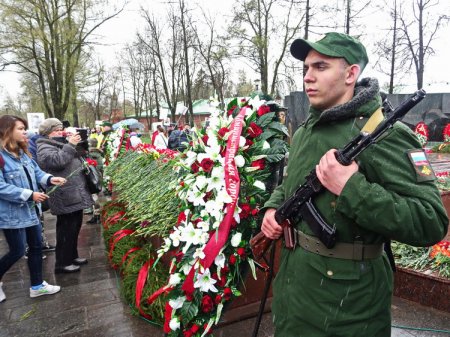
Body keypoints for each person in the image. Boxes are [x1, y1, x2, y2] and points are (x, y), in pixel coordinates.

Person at [260, 32, 448, 337]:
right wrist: (273, 210)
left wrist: (351, 188)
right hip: (294, 294)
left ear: (351, 74)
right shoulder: (308, 128)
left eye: (320, 67)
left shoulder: (389, 135)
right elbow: (292, 184)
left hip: (348, 310)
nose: (308, 77)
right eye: (306, 69)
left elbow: (430, 221)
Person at [0, 115, 65, 302]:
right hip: (12, 215)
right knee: (18, 250)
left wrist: (50, 179)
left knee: (36, 246)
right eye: (20, 128)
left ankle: (37, 286)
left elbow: (37, 172)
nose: (24, 132)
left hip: (31, 211)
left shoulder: (22, 153)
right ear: (7, 130)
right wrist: (29, 194)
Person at [36, 118, 94, 274]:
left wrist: (78, 142)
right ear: (49, 133)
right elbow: (57, 162)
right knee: (65, 229)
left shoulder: (60, 143)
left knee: (75, 227)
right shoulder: (44, 147)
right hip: (64, 194)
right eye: (57, 130)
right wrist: (70, 145)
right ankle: (62, 263)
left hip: (73, 191)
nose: (60, 132)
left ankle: (72, 256)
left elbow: (78, 155)